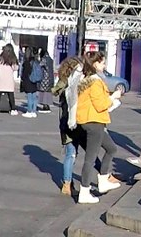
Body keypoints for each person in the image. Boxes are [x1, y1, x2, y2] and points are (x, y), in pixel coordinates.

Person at [74, 51, 122, 204]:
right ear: (95, 64)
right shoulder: (95, 82)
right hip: (94, 122)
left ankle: (103, 181)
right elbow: (100, 105)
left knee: (111, 148)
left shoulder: (85, 80)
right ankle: (85, 191)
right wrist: (113, 97)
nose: (104, 65)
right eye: (102, 63)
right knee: (90, 158)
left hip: (87, 120)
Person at [53, 56, 87, 197]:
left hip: (65, 121)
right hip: (75, 120)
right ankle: (104, 174)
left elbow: (54, 91)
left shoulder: (63, 80)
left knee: (71, 153)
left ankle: (67, 184)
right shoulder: (74, 80)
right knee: (88, 151)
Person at [0, 44, 20, 115]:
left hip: (1, 79)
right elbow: (16, 68)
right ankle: (13, 109)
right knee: (11, 95)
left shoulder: (0, 59)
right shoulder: (13, 59)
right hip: (9, 80)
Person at [20, 46, 39, 117]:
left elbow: (24, 73)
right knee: (34, 96)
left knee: (29, 96)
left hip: (28, 80)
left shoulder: (26, 62)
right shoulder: (35, 61)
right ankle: (34, 111)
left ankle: (29, 111)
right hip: (35, 80)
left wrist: (22, 80)